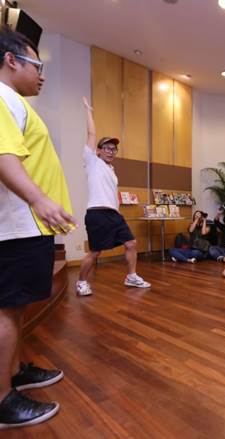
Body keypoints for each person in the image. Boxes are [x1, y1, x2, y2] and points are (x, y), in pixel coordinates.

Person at [0, 28, 76, 430]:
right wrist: (39, 199)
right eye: (36, 65)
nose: (41, 74)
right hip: (9, 223)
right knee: (3, 308)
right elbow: (0, 155)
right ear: (11, 61)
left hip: (21, 223)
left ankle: (12, 371)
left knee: (14, 304)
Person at [76, 98, 150, 296]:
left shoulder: (111, 170)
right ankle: (82, 282)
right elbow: (91, 133)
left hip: (114, 214)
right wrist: (88, 111)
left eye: (113, 149)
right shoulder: (92, 161)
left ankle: (131, 276)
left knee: (131, 243)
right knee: (95, 252)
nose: (111, 151)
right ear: (98, 151)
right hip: (97, 214)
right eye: (106, 148)